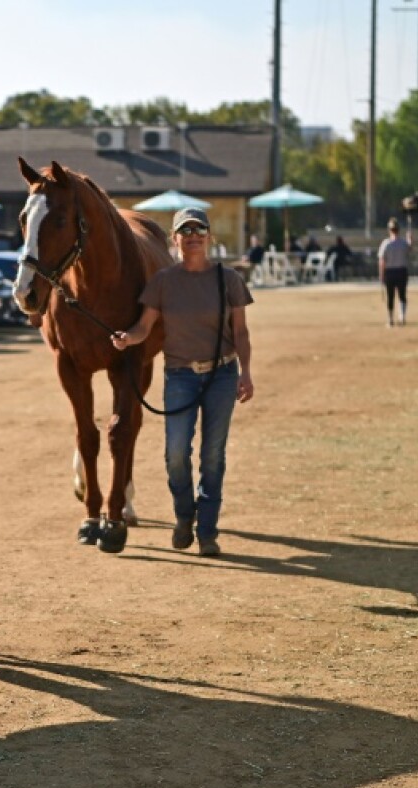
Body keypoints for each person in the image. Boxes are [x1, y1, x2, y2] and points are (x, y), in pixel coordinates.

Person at [111, 208, 254, 556]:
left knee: (213, 456)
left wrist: (246, 372)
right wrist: (127, 338)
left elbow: (241, 331)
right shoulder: (163, 282)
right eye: (184, 230)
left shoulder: (229, 280)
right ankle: (183, 516)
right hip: (180, 376)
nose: (192, 235)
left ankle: (207, 532)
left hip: (221, 374)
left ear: (209, 236)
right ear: (174, 239)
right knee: (176, 454)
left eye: (199, 229)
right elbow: (144, 326)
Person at [377, 217, 412, 326]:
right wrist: (409, 240)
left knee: (390, 296)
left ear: (389, 230)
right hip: (401, 271)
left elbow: (382, 261)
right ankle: (402, 316)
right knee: (402, 295)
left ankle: (390, 319)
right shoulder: (403, 243)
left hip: (390, 272)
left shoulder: (386, 244)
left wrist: (381, 275)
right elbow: (409, 250)